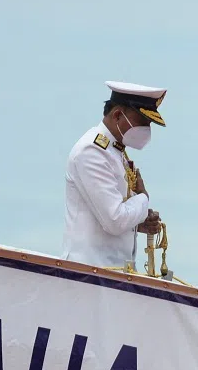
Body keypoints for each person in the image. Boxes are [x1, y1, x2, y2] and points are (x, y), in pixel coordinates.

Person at [61, 81, 166, 268]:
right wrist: (143, 198)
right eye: (142, 122)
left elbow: (109, 215)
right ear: (118, 115)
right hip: (88, 273)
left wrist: (138, 224)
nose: (146, 130)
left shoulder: (115, 151)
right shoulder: (92, 151)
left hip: (109, 271)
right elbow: (115, 219)